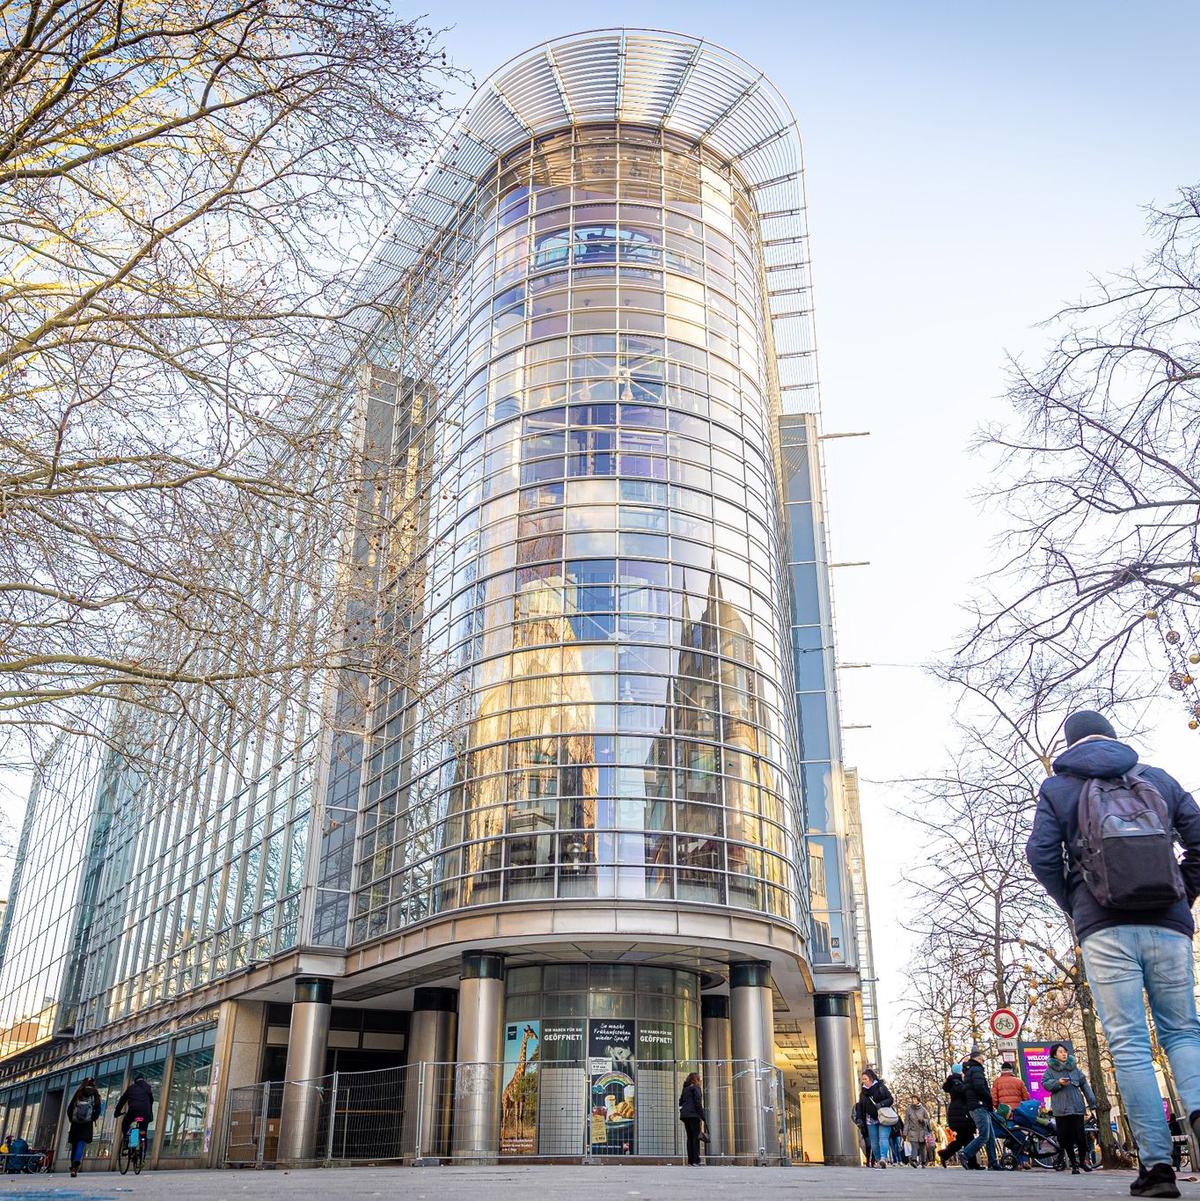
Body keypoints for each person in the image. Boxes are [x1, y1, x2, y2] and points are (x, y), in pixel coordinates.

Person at [1027, 708, 1200, 1199]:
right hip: (1168, 925)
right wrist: (1182, 894)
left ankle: (1158, 1170)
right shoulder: (1157, 780)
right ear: (1114, 738)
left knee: (1128, 1045)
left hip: (1104, 929)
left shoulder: (1059, 788)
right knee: (1184, 1032)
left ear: (1070, 743)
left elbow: (1040, 854)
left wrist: (1078, 903)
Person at [1040, 1043, 1096, 1175]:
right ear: (1054, 1055)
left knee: (1081, 1137)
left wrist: (1092, 1102)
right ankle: (1074, 1164)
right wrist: (1058, 1082)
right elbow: (1045, 1084)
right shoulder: (1049, 1071)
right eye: (1060, 1052)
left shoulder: (1074, 1069)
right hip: (1061, 1109)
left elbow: (1085, 1085)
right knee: (1067, 1139)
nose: (1064, 1054)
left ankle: (1083, 1161)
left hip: (1077, 1107)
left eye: (1065, 1051)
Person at [958, 1048, 999, 1170]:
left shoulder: (969, 1071)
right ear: (977, 1059)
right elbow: (980, 1088)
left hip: (978, 1106)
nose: (983, 1062)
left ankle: (993, 1162)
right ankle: (965, 1153)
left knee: (991, 1136)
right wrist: (989, 1099)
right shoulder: (976, 1070)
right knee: (984, 1136)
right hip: (979, 1106)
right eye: (982, 1059)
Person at [938, 1063, 976, 1167]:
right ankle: (972, 1163)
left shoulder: (954, 1082)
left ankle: (945, 1154)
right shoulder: (957, 1082)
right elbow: (965, 1092)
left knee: (962, 1140)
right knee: (969, 1139)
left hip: (958, 1114)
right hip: (961, 1114)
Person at [65, 1077, 102, 1177]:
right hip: (87, 1123)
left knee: (74, 1143)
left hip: (76, 1122)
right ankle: (76, 1164)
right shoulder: (95, 1093)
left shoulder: (79, 1092)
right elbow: (98, 1108)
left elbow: (70, 1107)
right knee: (81, 1142)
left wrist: (71, 1118)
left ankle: (73, 1165)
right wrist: (93, 1117)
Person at [859, 1069, 895, 1168]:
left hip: (884, 1117)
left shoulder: (881, 1088)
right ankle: (879, 1160)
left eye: (865, 1079)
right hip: (870, 1119)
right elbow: (861, 1107)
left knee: (883, 1138)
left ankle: (883, 1158)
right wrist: (860, 1119)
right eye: (862, 1079)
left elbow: (890, 1099)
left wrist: (881, 1104)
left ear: (871, 1078)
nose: (863, 1081)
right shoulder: (863, 1093)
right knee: (874, 1141)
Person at [113, 1073, 154, 1146]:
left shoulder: (131, 1088)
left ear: (135, 1080)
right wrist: (149, 1114)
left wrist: (117, 1112)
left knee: (125, 1124)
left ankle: (129, 1134)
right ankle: (142, 1152)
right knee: (143, 1131)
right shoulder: (148, 1087)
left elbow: (122, 1101)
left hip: (133, 1112)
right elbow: (151, 1101)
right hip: (145, 1113)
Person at [678, 1071, 705, 1167]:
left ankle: (690, 1161)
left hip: (685, 1115)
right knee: (695, 1138)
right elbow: (698, 1103)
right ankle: (696, 1161)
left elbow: (680, 1102)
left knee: (690, 1138)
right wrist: (703, 1115)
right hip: (694, 1115)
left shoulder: (685, 1089)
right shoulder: (696, 1088)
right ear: (697, 1079)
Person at [904, 1095, 931, 1167]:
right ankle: (914, 1160)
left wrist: (923, 1120)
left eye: (915, 1099)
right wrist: (904, 1133)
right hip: (912, 1131)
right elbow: (906, 1122)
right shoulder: (908, 1110)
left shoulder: (923, 1109)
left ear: (918, 1100)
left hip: (922, 1131)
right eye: (912, 1099)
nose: (913, 1100)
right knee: (914, 1145)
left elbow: (928, 1120)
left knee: (922, 1147)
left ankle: (923, 1162)